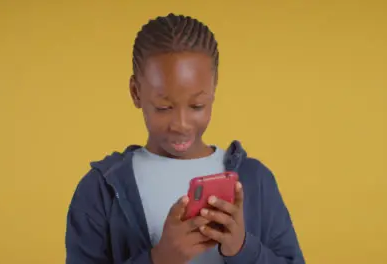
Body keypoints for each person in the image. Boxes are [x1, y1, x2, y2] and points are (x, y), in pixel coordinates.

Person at [65, 13, 305, 264]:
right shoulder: (100, 190)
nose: (181, 125)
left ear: (214, 88)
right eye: (163, 107)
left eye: (197, 106)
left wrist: (242, 248)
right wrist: (159, 259)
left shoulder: (256, 180)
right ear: (136, 92)